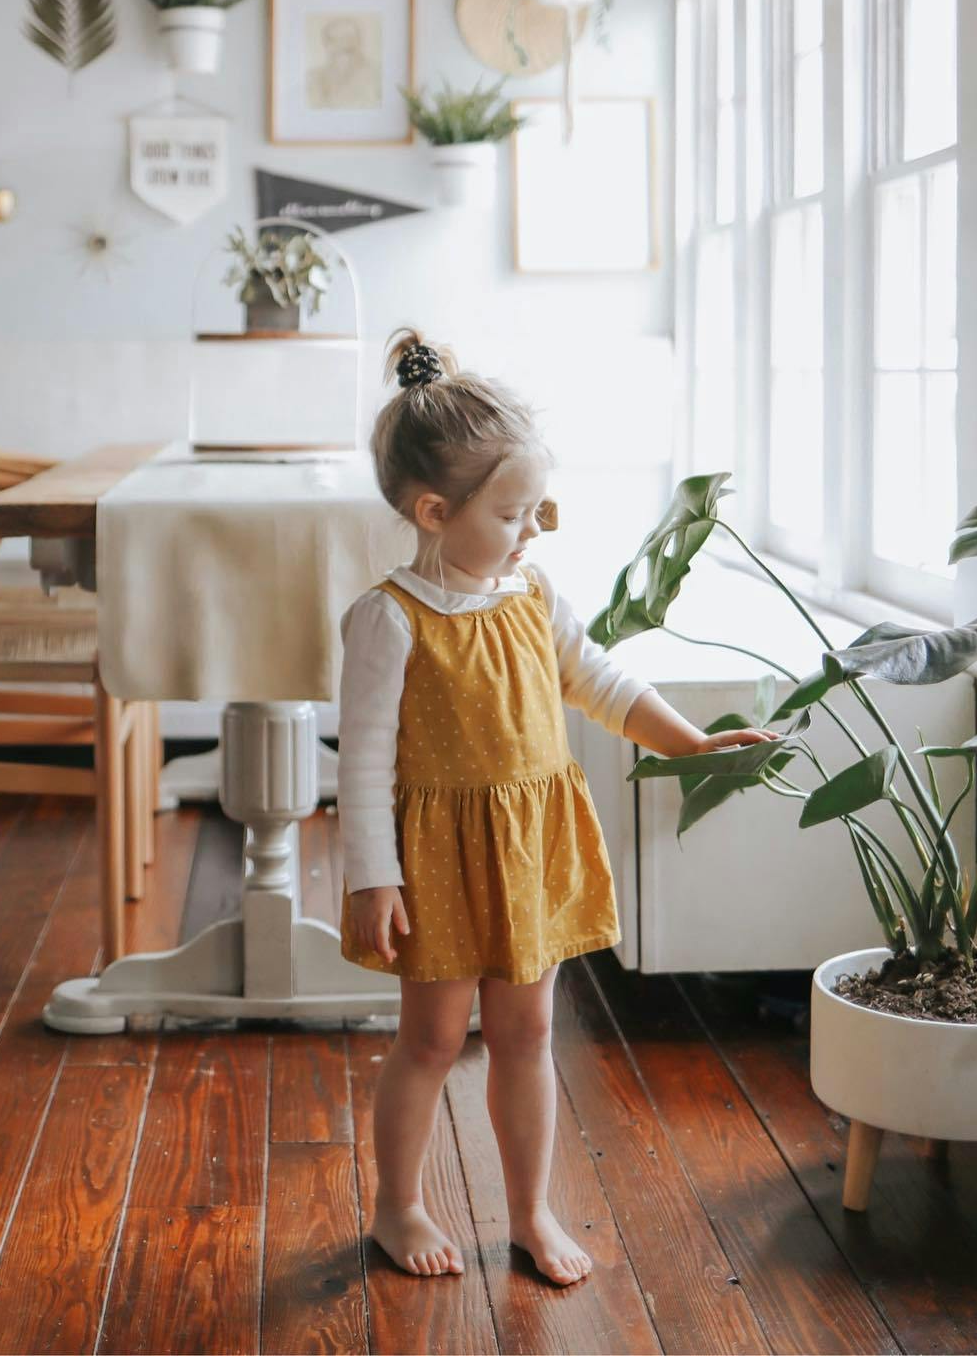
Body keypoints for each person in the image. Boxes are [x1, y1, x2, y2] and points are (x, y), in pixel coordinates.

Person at [337, 328, 778, 1285]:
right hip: (440, 861)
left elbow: (601, 681)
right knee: (431, 1038)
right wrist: (372, 877)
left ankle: (531, 1210)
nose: (536, 526)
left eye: (536, 505)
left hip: (528, 848)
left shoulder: (534, 591)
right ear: (433, 510)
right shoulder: (389, 617)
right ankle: (398, 1205)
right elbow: (364, 758)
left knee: (529, 1034)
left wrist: (691, 743)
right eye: (512, 511)